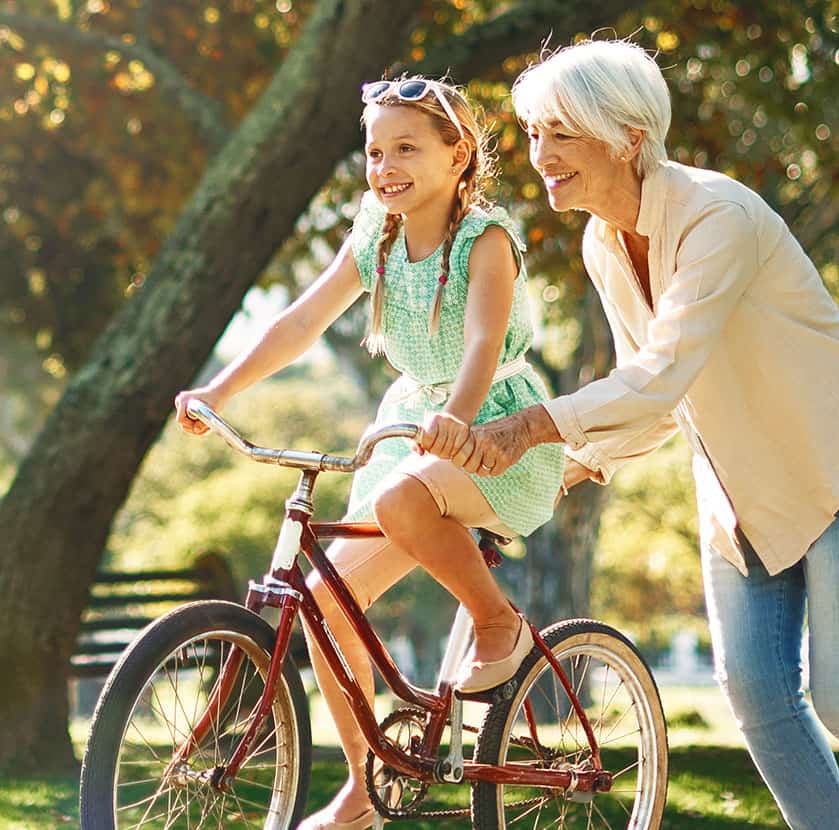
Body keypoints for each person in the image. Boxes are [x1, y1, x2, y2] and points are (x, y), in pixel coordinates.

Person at [427, 39, 839, 830]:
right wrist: (573, 466)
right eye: (534, 134)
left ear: (629, 136)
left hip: (837, 467)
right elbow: (657, 396)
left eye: (562, 132)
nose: (542, 154)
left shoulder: (716, 215)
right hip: (738, 495)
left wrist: (532, 427)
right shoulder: (604, 241)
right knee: (761, 702)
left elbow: (661, 372)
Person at [174, 76, 563, 830]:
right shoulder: (376, 235)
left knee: (400, 498)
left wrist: (457, 418)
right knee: (325, 604)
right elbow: (299, 322)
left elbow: (484, 342)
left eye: (407, 149)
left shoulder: (486, 240)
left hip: (495, 426)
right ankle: (366, 786)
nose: (385, 167)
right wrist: (218, 391)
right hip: (415, 423)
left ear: (459, 155)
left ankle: (498, 623)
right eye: (374, 151)